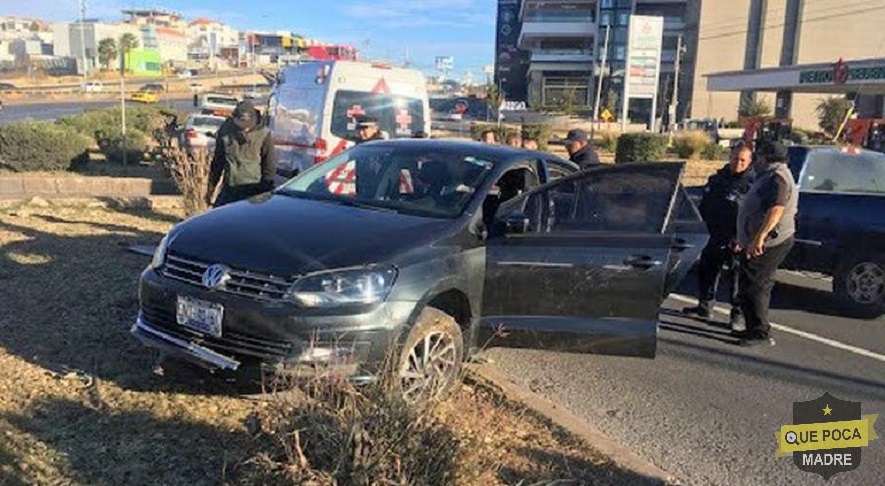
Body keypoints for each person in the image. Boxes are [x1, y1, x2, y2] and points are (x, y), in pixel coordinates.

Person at [734, 140, 798, 347]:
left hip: (769, 242)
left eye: (758, 156)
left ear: (766, 158)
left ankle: (759, 332)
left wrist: (760, 236)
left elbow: (776, 209)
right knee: (755, 283)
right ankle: (753, 327)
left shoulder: (776, 178)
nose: (756, 160)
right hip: (764, 240)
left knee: (754, 285)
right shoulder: (772, 175)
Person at [683, 145, 755, 328]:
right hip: (713, 233)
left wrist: (741, 237)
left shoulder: (751, 185)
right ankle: (704, 306)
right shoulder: (717, 179)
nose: (737, 163)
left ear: (749, 162)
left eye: (742, 160)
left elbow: (752, 215)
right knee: (707, 271)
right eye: (735, 158)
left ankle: (737, 315)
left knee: (736, 278)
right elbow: (705, 206)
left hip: (736, 237)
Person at [205, 100, 276, 208]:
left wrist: (265, 195)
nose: (246, 127)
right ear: (234, 119)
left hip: (255, 191)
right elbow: (217, 162)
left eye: (248, 124)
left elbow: (269, 166)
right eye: (242, 124)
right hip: (230, 189)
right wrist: (211, 189)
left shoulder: (264, 134)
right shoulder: (225, 131)